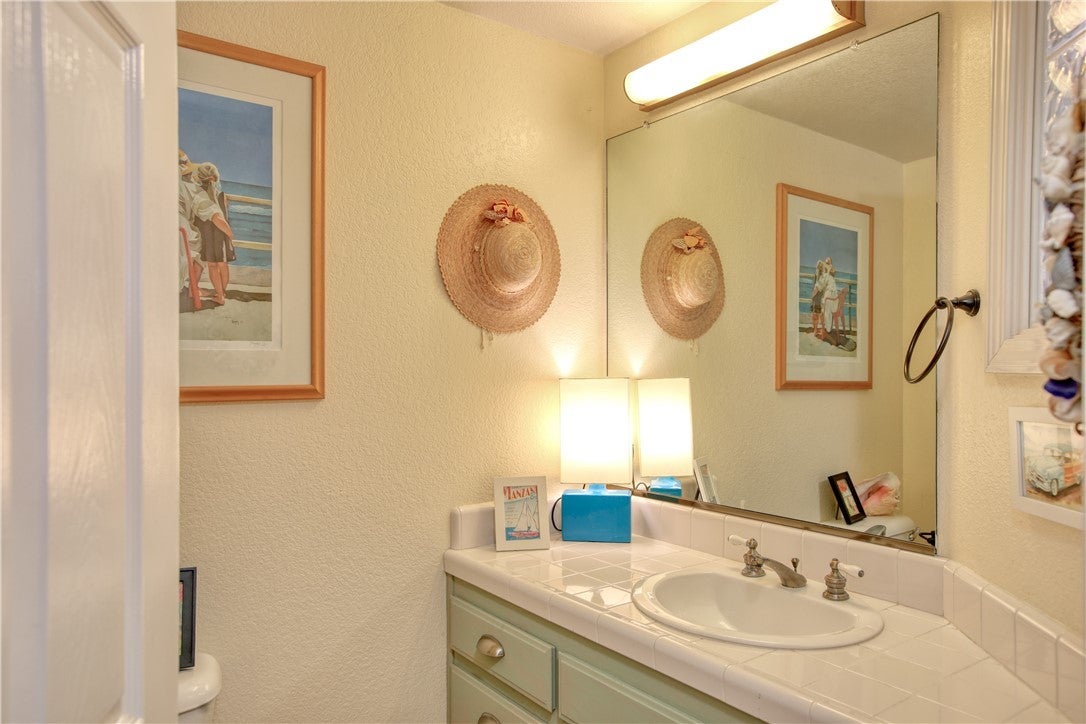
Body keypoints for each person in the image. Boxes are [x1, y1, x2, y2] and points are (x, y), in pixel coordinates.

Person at [178, 150, 233, 307]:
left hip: (182, 230)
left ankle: (200, 290)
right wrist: (230, 234)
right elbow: (216, 216)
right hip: (188, 232)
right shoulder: (197, 190)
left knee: (206, 259)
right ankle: (215, 292)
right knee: (204, 255)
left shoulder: (180, 184)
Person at [193, 162, 234, 305]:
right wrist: (230, 234)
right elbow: (222, 217)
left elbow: (213, 218)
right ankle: (222, 293)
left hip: (208, 236)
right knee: (223, 265)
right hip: (221, 235)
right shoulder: (221, 195)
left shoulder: (198, 195)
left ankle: (220, 296)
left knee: (212, 266)